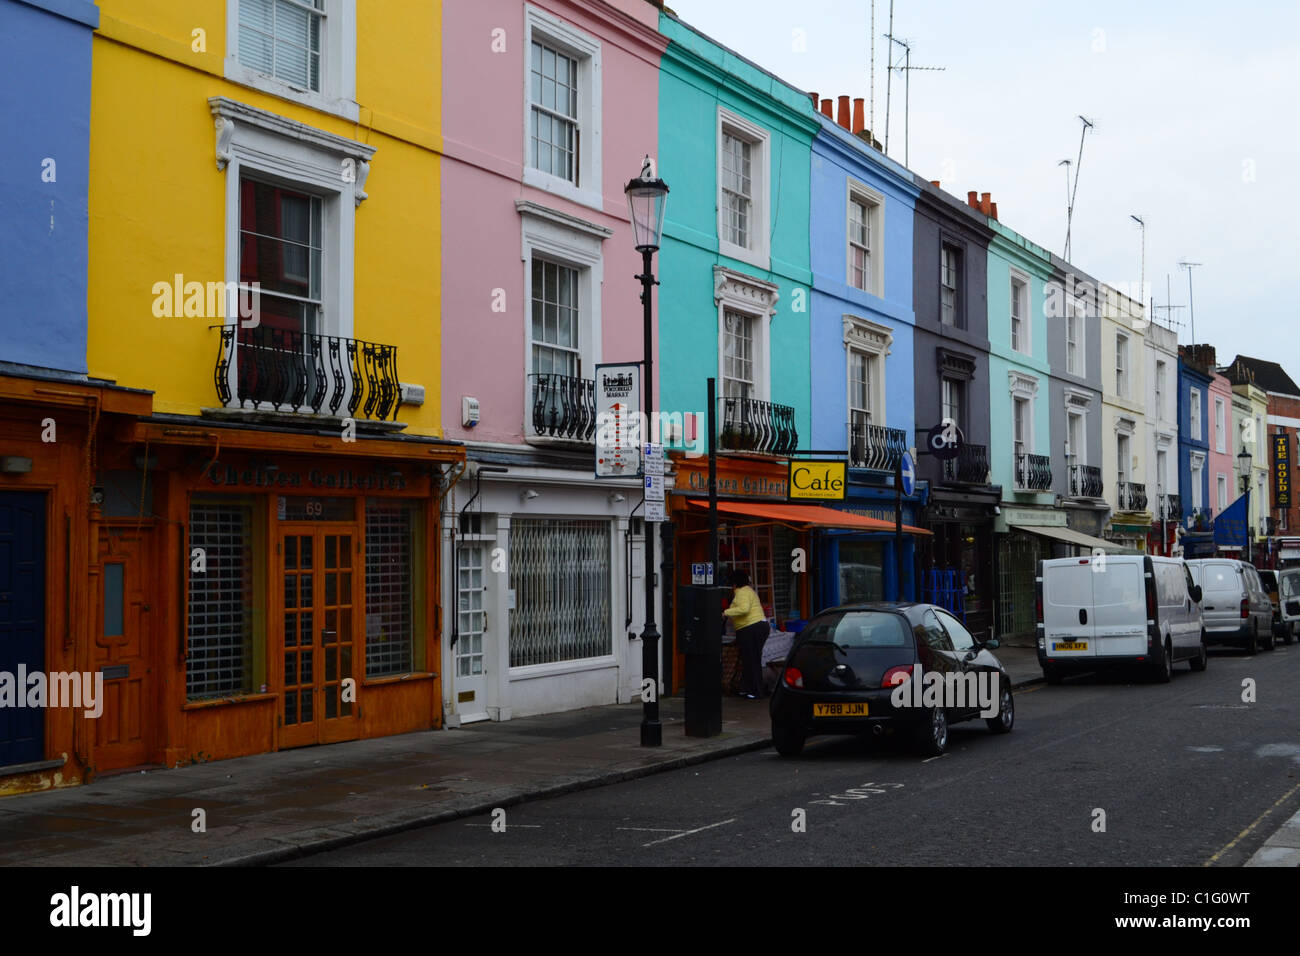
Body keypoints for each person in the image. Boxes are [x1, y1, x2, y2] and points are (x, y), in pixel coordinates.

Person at [724, 568, 769, 699]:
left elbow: (744, 609)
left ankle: (756, 691)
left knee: (751, 659)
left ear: (734, 583)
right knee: (749, 659)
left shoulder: (742, 592)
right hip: (756, 627)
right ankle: (747, 689)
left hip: (751, 627)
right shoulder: (748, 591)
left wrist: (725, 612)